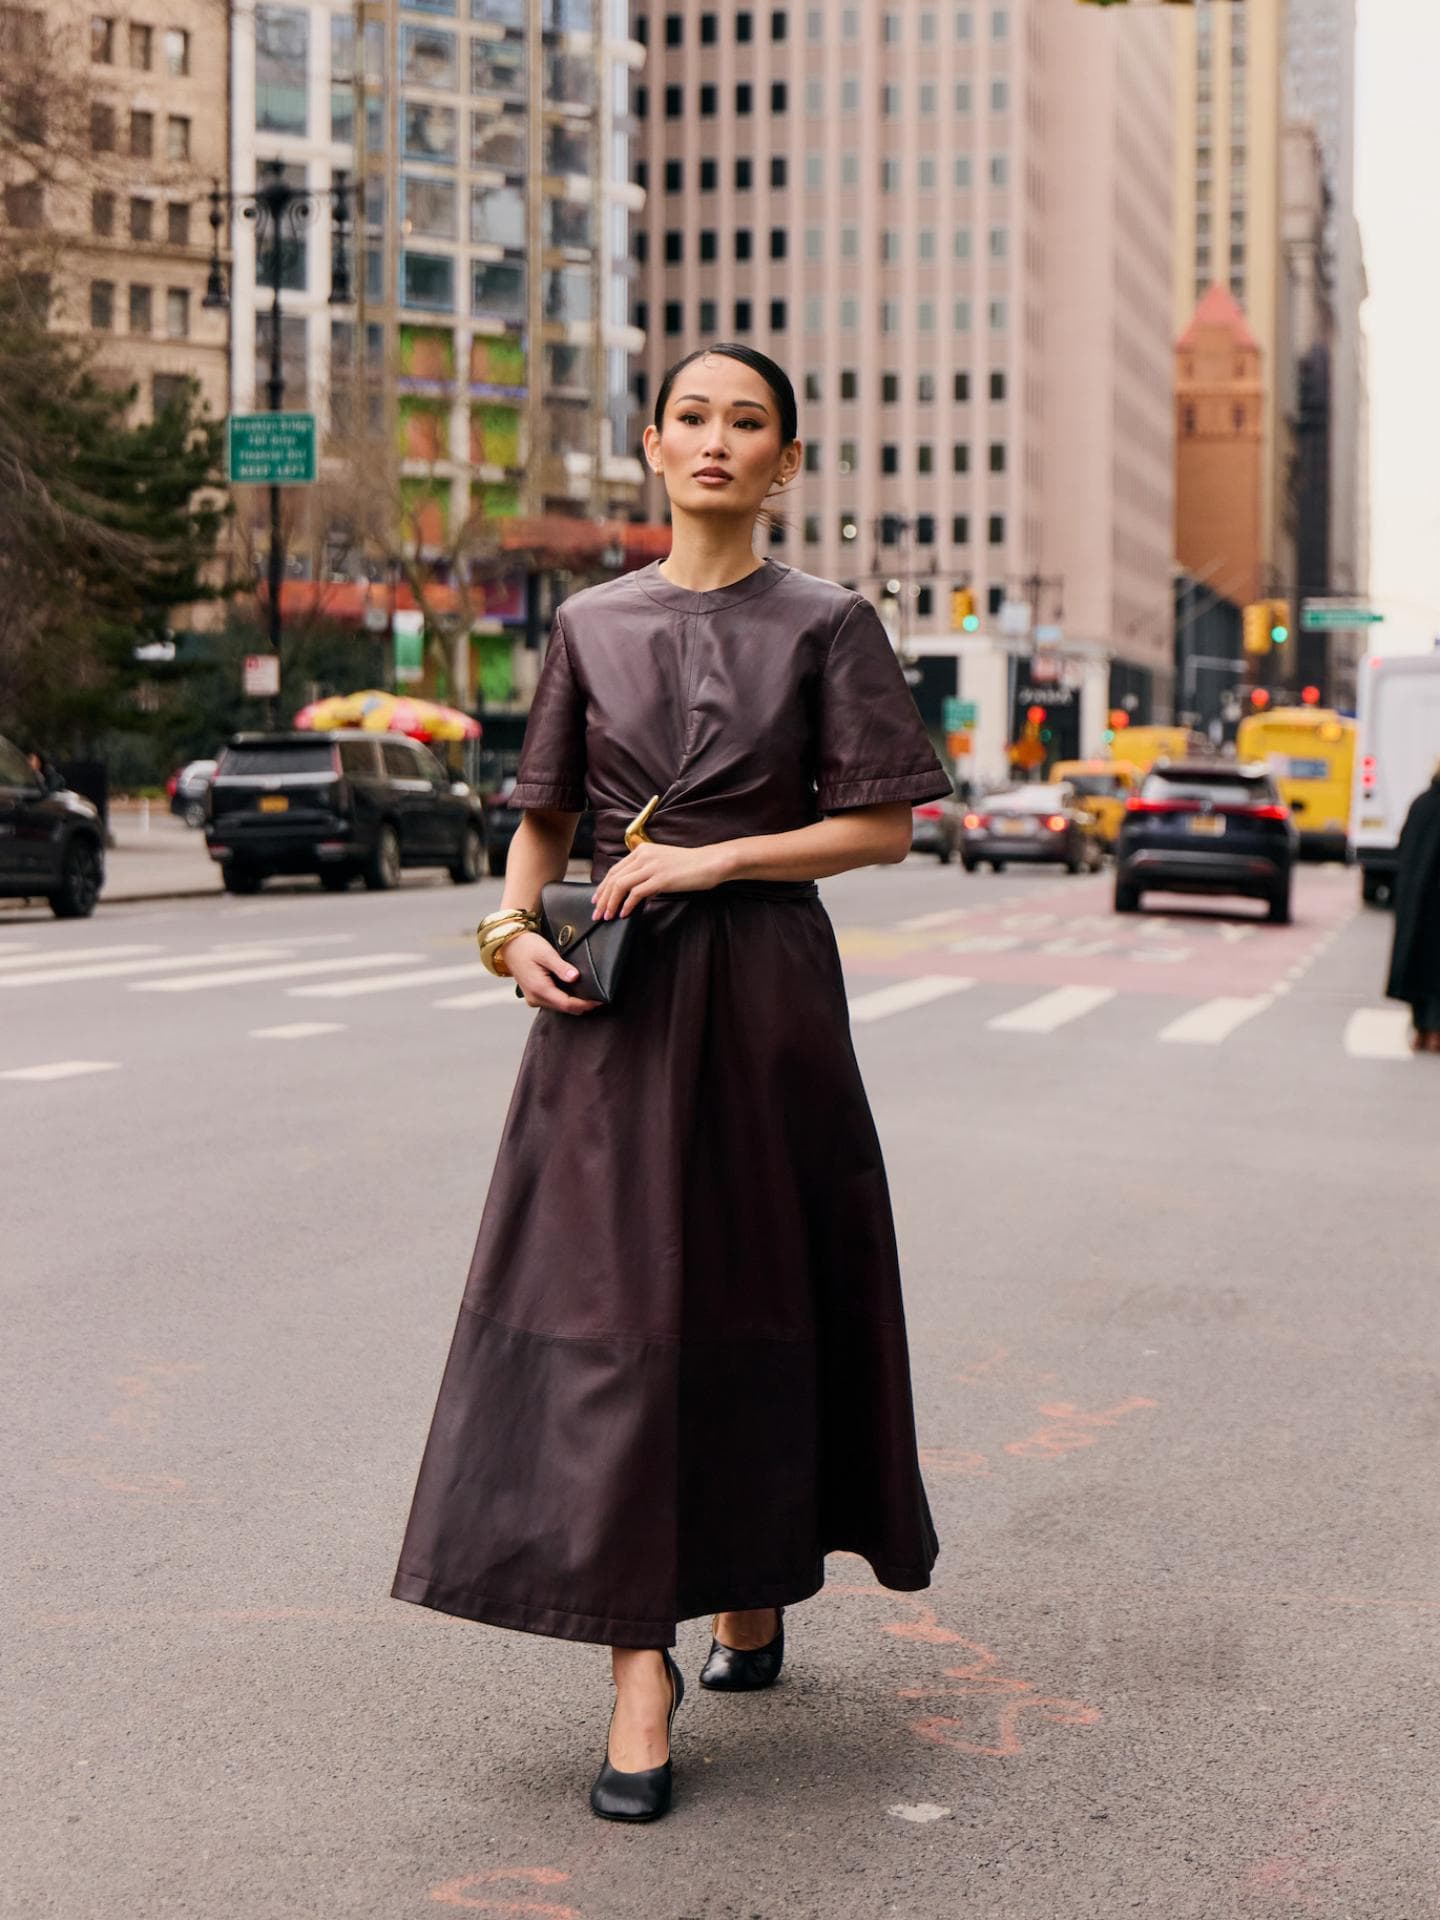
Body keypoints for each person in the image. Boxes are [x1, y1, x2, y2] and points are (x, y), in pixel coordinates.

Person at [392, 344, 950, 1823]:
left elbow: (884, 830)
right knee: (612, 1318)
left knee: (760, 1295)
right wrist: (511, 937)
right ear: (651, 444)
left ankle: (754, 1580)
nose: (716, 441)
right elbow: (543, 818)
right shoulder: (588, 621)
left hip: (767, 999)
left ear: (786, 461)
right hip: (612, 1006)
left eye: (747, 422)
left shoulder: (832, 623)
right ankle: (641, 1665)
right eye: (692, 418)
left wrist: (714, 857)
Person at [1386, 762, 1440, 1052]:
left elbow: (1403, 847)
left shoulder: (1421, 804)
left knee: (1417, 963)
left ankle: (1420, 1029)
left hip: (1416, 900)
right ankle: (1435, 1031)